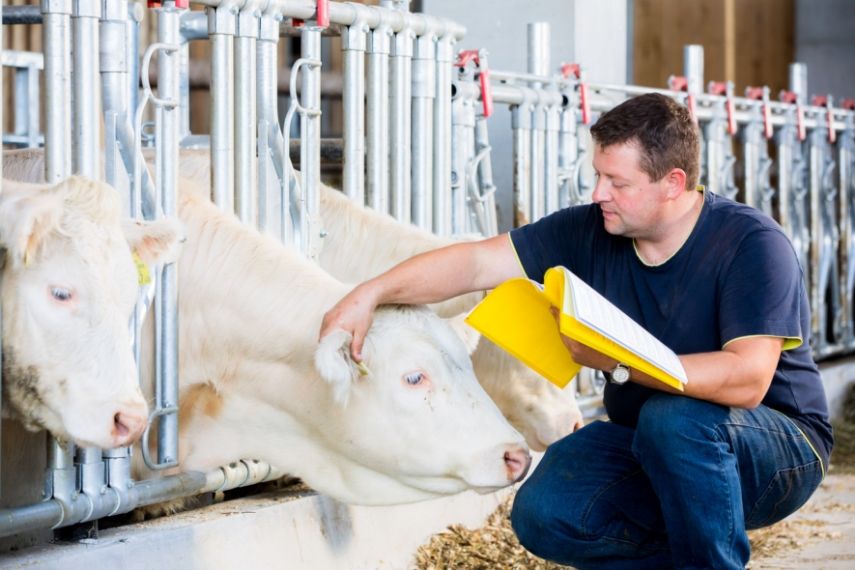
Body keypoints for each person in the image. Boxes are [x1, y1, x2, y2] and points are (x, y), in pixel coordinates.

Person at [319, 92, 832, 569]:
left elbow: (747, 380)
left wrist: (614, 362)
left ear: (673, 183)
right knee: (547, 508)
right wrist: (371, 293)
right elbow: (475, 264)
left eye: (617, 182)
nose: (598, 193)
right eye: (597, 175)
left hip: (775, 450)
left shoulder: (750, 244)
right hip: (652, 443)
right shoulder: (592, 228)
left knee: (675, 419)